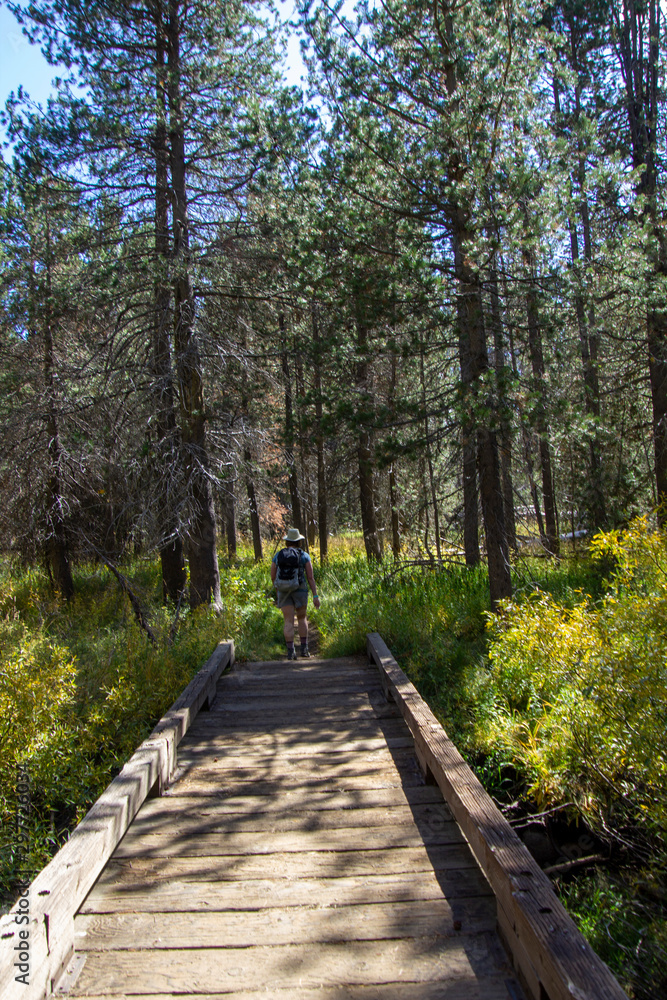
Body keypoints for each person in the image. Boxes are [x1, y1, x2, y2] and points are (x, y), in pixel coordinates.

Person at [271, 527, 320, 659]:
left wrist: (278, 590)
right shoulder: (304, 555)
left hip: (283, 590)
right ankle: (304, 650)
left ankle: (290, 651)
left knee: (288, 621)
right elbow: (310, 577)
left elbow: (273, 575)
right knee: (302, 618)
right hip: (300, 589)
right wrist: (315, 595)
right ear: (299, 541)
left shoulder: (278, 555)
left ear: (287, 541)